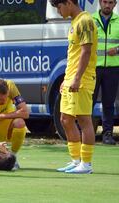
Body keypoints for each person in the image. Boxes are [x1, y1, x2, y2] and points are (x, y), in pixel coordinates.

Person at [50, 0, 98, 174]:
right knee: (65, 119)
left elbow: (86, 51)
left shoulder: (85, 21)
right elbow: (74, 54)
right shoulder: (74, 22)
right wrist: (67, 78)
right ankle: (76, 160)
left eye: (59, 7)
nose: (58, 11)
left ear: (69, 3)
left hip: (82, 79)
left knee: (84, 119)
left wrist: (77, 78)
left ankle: (86, 164)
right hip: (71, 79)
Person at [92, 0, 119, 145]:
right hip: (93, 68)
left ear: (115, 4)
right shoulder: (91, 20)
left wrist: (117, 50)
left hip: (113, 68)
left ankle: (107, 134)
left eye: (110, 2)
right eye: (104, 2)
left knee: (109, 103)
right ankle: (86, 132)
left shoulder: (118, 21)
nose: (107, 5)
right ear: (100, 3)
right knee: (88, 102)